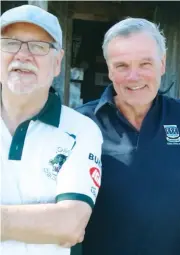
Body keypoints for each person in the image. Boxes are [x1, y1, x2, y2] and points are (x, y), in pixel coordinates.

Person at [76, 18, 180, 255]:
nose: (134, 76)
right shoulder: (82, 124)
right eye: (122, 66)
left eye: (145, 64)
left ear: (162, 64)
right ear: (109, 69)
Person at [0, 5, 103, 255]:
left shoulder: (81, 130)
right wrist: (42, 221)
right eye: (11, 43)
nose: (23, 55)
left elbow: (71, 225)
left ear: (57, 63)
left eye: (38, 46)